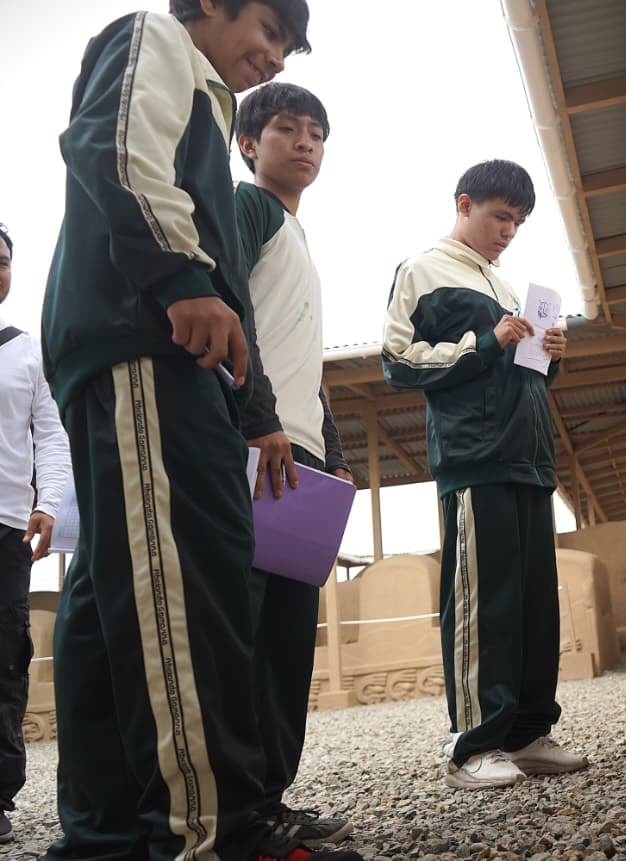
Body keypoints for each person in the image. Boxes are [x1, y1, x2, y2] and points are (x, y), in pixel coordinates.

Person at [40, 3, 361, 859]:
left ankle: (107, 835)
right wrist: (180, 275)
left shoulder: (208, 108)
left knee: (124, 597)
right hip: (147, 339)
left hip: (159, 353)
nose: (275, 52)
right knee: (180, 585)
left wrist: (253, 410)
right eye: (268, 26)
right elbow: (109, 148)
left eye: (289, 46)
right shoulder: (156, 39)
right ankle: (212, 832)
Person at [381, 159, 588, 790]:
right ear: (464, 203)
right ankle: (474, 746)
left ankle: (525, 734)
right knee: (483, 603)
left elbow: (514, 371)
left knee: (531, 607)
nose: (509, 231)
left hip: (529, 460)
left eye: (519, 222)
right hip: (474, 460)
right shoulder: (422, 270)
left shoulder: (501, 281)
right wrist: (486, 341)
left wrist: (544, 358)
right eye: (501, 216)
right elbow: (398, 361)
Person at [234, 81, 354, 847]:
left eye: (316, 131)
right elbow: (228, 309)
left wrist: (333, 454)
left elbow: (299, 354)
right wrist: (259, 417)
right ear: (249, 144)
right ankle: (234, 809)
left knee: (284, 635)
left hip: (300, 453)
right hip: (255, 444)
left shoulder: (299, 236)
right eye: (286, 128)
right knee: (242, 632)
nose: (305, 142)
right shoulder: (246, 208)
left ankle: (270, 798)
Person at [0, 224, 71, 845]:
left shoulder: (27, 351)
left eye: (1, 262)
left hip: (5, 529)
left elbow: (49, 434)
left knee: (5, 657)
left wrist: (47, 502)